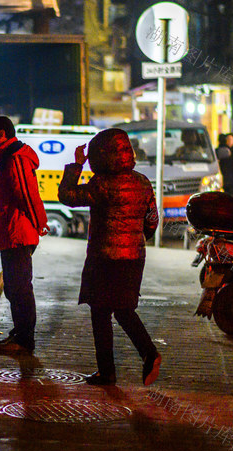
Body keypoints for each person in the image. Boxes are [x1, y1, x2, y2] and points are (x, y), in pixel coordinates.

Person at [58, 128, 161, 386]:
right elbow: (152, 221)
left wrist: (76, 165)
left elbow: (67, 196)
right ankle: (148, 353)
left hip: (105, 258)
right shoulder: (143, 182)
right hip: (134, 257)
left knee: (100, 312)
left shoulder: (101, 184)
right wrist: (135, 239)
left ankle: (108, 371)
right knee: (125, 310)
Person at [0, 116, 49, 356]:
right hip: (11, 232)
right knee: (13, 287)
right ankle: (20, 333)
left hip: (18, 232)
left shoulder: (15, 158)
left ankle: (25, 340)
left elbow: (26, 193)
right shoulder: (9, 157)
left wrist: (39, 222)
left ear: (2, 134)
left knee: (20, 288)